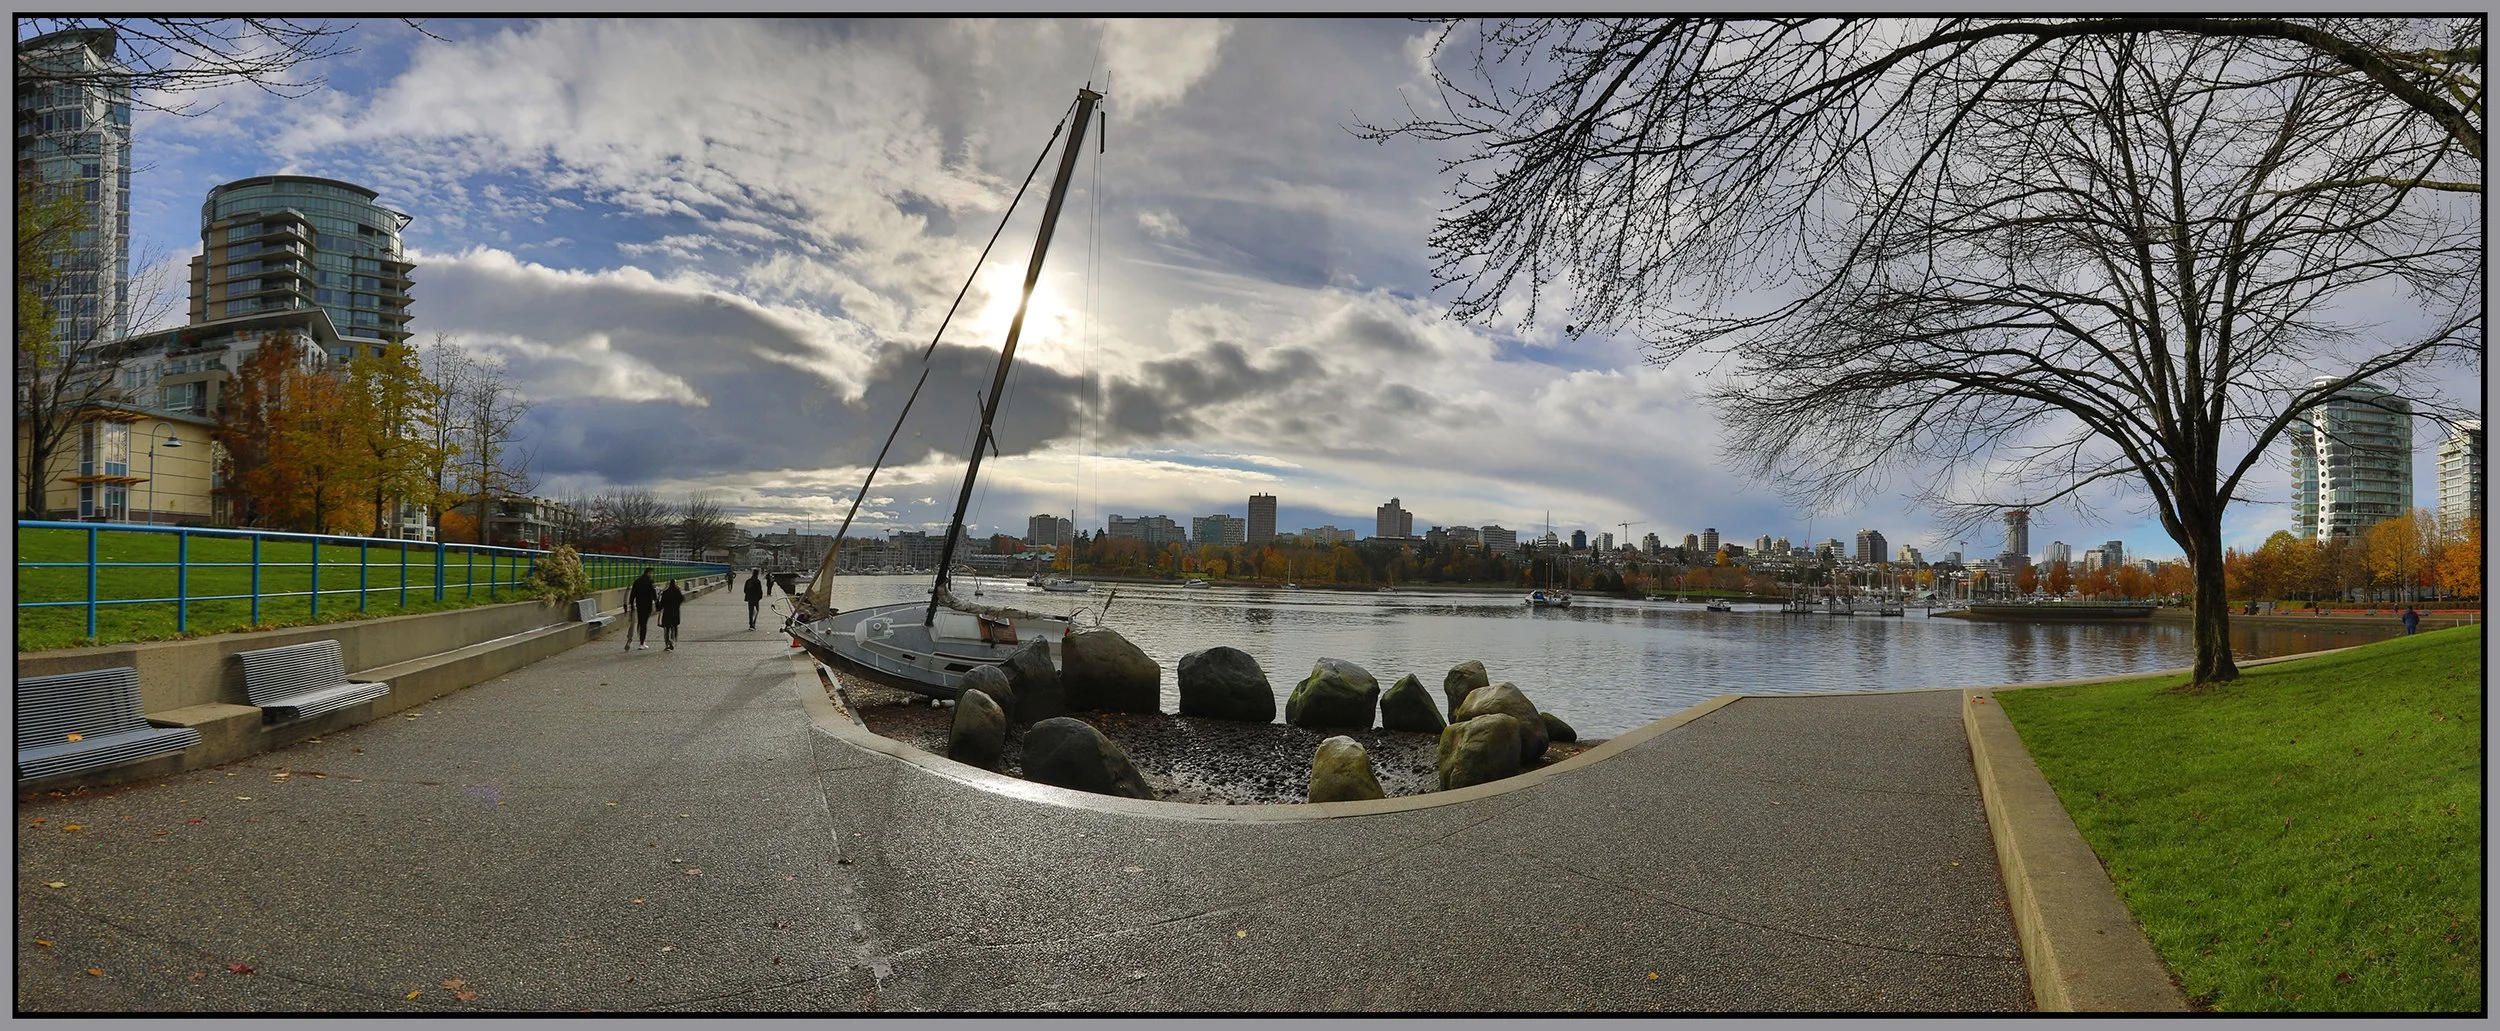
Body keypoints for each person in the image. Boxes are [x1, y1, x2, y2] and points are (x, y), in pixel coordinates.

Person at [628, 568, 659, 651]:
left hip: (639, 604)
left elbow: (633, 593)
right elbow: (653, 593)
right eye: (651, 573)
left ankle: (641, 639)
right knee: (644, 623)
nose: (652, 575)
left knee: (642, 622)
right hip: (647, 605)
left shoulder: (637, 581)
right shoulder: (650, 582)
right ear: (648, 573)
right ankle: (642, 642)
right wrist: (656, 603)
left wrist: (631, 604)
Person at [658, 578, 686, 651]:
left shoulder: (665, 592)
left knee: (666, 629)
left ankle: (667, 643)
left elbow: (661, 604)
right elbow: (682, 599)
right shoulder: (677, 592)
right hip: (675, 613)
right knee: (674, 627)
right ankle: (673, 640)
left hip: (667, 613)